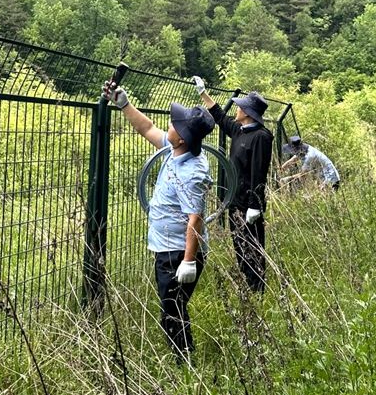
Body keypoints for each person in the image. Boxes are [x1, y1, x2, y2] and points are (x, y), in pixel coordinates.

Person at [102, 79, 215, 361]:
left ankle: (184, 363)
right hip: (168, 249)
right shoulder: (175, 149)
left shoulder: (191, 173)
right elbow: (146, 128)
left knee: (172, 310)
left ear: (183, 138)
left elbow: (196, 218)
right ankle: (183, 358)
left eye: (176, 124)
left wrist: (188, 260)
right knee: (172, 307)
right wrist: (124, 103)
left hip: (177, 252)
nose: (170, 124)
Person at [192, 76, 273, 293]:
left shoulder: (261, 137)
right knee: (239, 245)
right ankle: (248, 287)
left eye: (240, 108)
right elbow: (220, 116)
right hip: (235, 202)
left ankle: (258, 288)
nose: (236, 110)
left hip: (249, 205)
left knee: (253, 247)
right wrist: (203, 92)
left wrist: (255, 205)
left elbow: (259, 172)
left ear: (247, 113)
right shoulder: (240, 130)